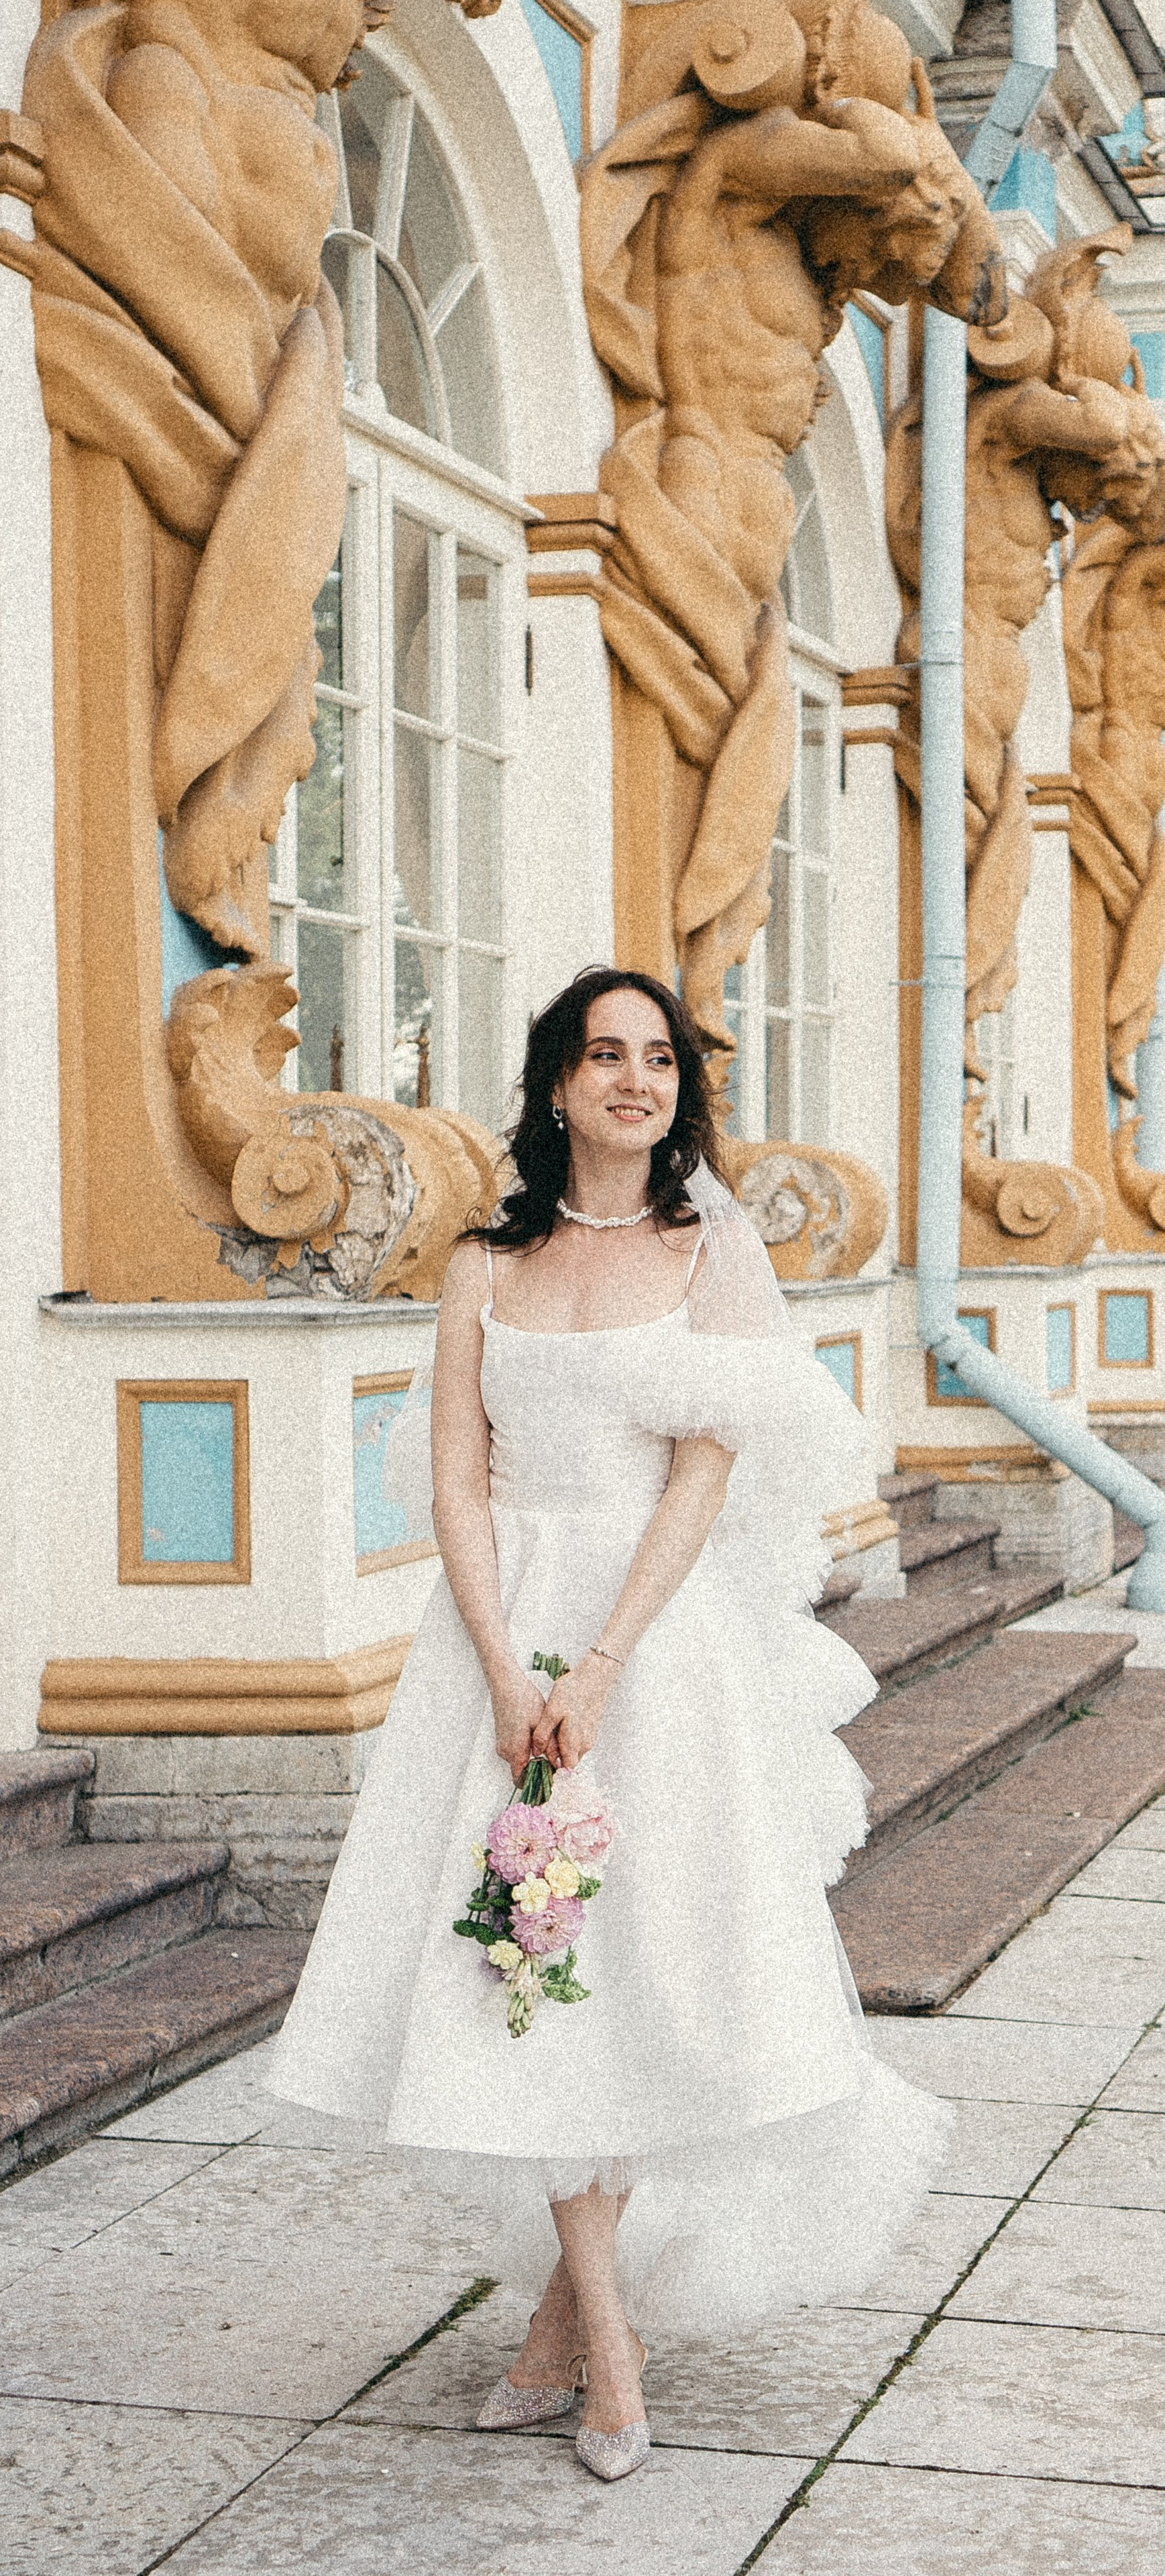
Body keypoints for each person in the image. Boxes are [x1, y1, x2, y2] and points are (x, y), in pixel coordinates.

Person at [268, 965, 947, 2480]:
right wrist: (507, 1667)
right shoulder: (482, 1265)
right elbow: (456, 1475)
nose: (636, 1080)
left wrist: (597, 1668)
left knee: (634, 1970)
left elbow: (704, 1475)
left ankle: (579, 2331)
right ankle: (593, 2332)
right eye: (605, 1055)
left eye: (659, 1059)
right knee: (525, 1963)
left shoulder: (711, 1252)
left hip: (656, 1647)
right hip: (495, 1643)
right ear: (559, 1086)